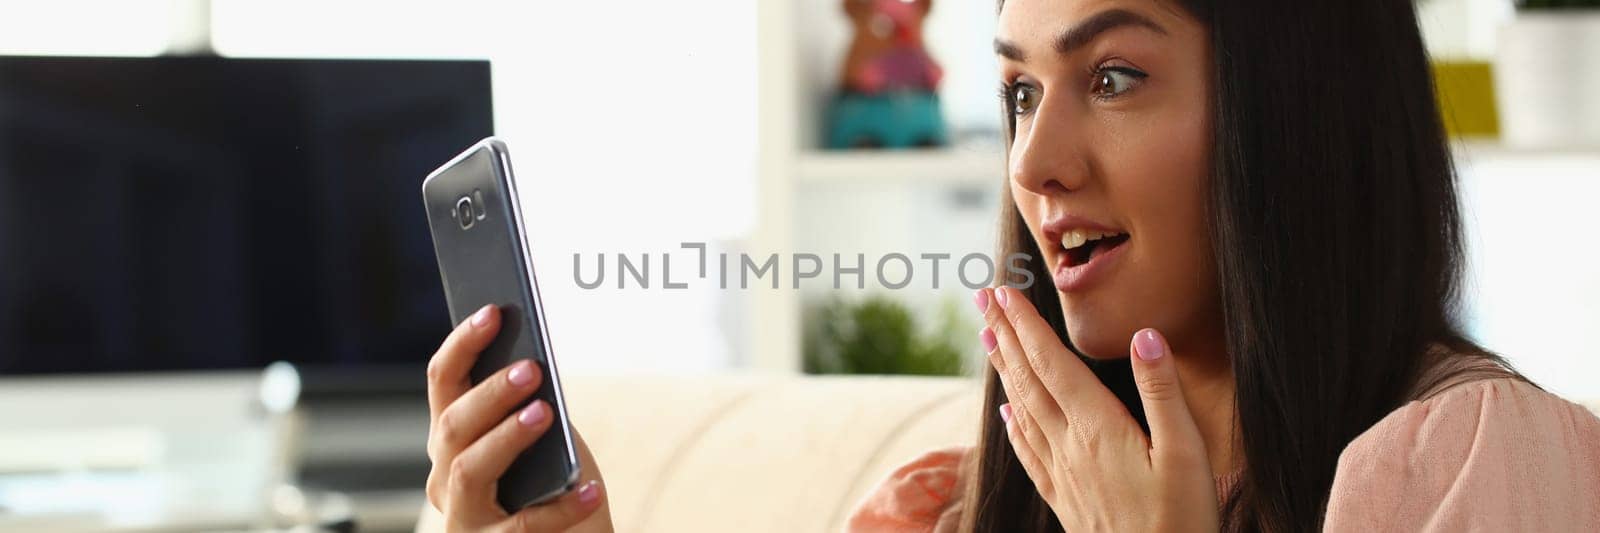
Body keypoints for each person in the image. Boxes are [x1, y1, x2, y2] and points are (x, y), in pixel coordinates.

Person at [422, 0, 1600, 531]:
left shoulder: (1475, 458)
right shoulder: (958, 503)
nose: (1034, 161)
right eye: (1020, 90)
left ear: (1298, 113)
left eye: (1115, 77)